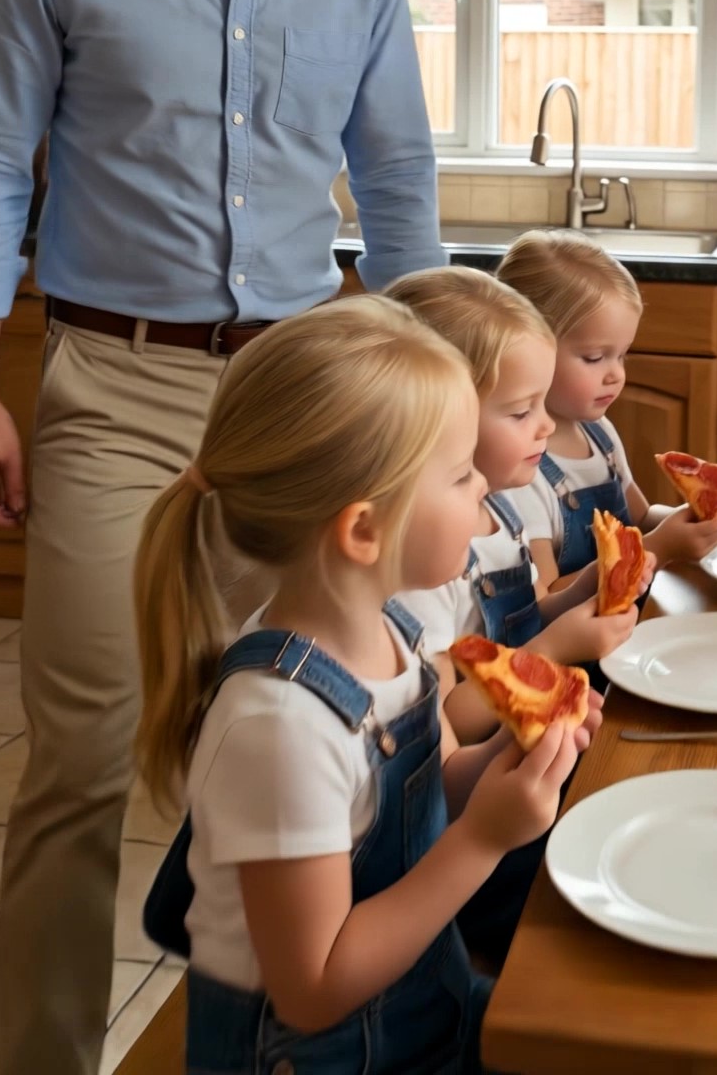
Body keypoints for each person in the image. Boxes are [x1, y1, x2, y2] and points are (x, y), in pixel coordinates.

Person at [0, 0, 445, 1075]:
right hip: (115, 383)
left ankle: (273, 1045)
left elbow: (399, 187)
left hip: (300, 394)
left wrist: (437, 409)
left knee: (309, 738)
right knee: (83, 762)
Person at [134, 296, 587, 1074]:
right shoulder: (279, 725)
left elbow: (425, 784)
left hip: (422, 1014)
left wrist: (516, 752)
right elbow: (312, 988)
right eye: (458, 475)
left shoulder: (393, 634)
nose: (485, 488)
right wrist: (483, 840)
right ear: (364, 530)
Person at [384, 265, 653, 695]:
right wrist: (554, 649)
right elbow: (448, 720)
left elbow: (534, 611)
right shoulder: (422, 562)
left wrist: (590, 584)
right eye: (521, 411)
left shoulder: (500, 509)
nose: (547, 425)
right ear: (446, 418)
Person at [495, 231, 717, 590]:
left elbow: (642, 518)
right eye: (595, 358)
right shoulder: (521, 472)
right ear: (529, 350)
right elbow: (548, 595)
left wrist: (708, 513)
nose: (616, 373)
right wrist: (659, 547)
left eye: (622, 354)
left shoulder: (599, 434)